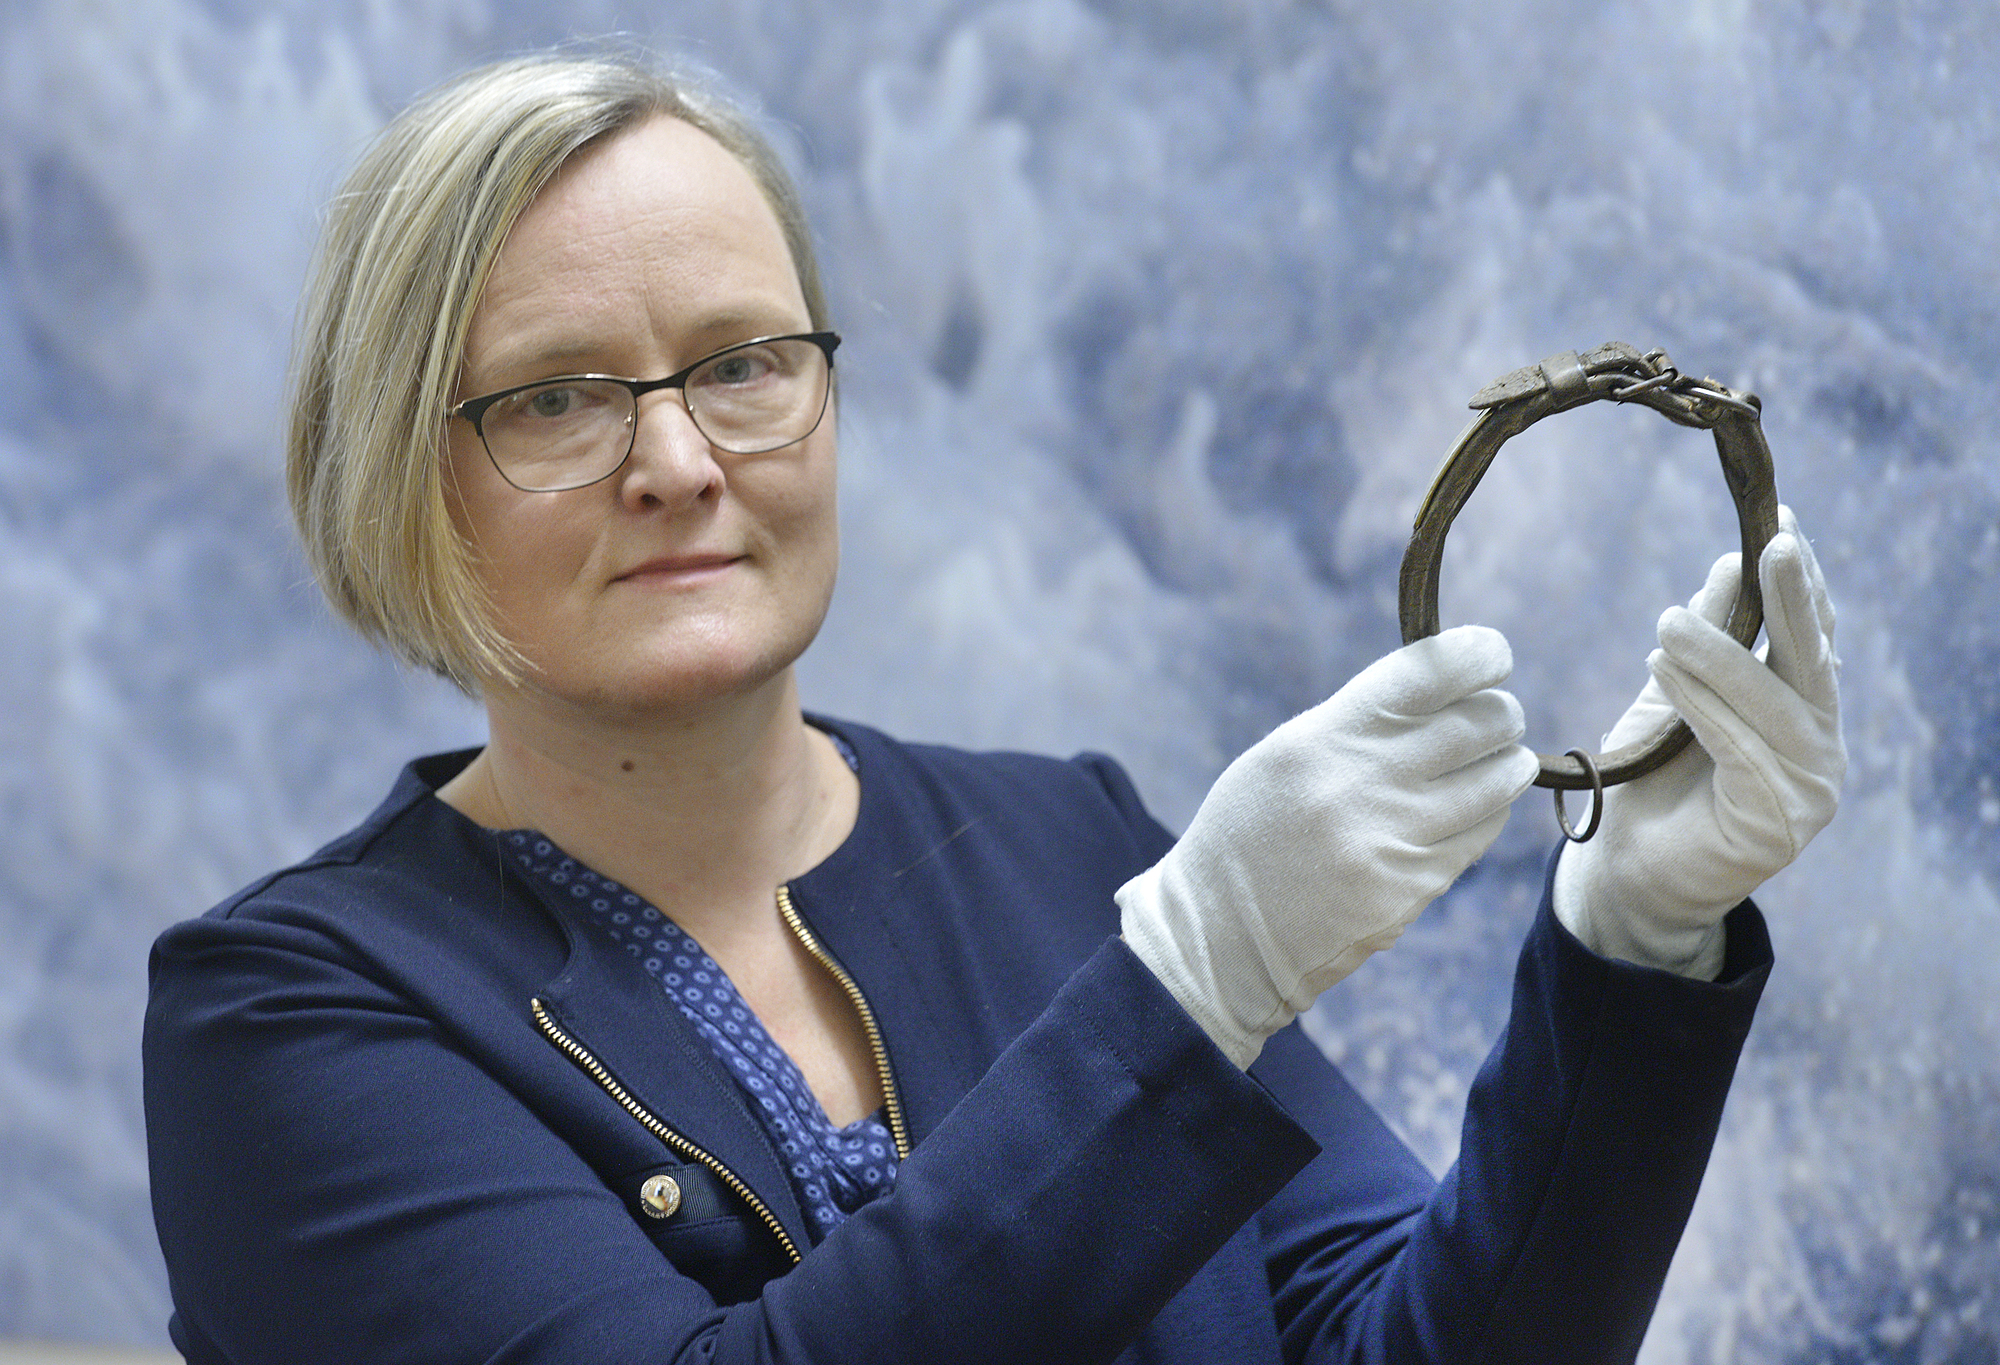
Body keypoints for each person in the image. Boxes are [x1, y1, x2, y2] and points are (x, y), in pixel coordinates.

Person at [142, 49, 1845, 1365]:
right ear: (401, 475)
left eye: (742, 364)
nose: (678, 461)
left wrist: (1630, 955)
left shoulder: (1069, 838)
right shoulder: (286, 1020)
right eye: (557, 398)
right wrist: (1184, 994)